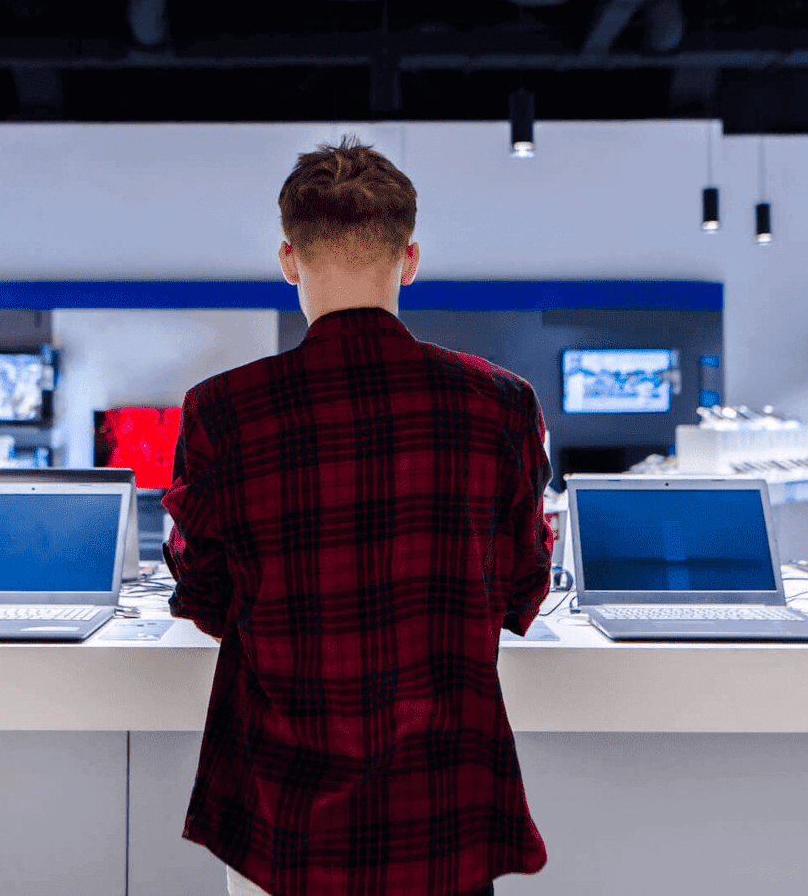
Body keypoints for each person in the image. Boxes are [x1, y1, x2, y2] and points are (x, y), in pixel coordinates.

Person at [163, 136, 554, 896]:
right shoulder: (502, 403)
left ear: (289, 259)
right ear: (409, 258)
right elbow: (521, 592)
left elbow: (205, 597)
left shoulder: (221, 410)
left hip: (283, 821)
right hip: (442, 808)